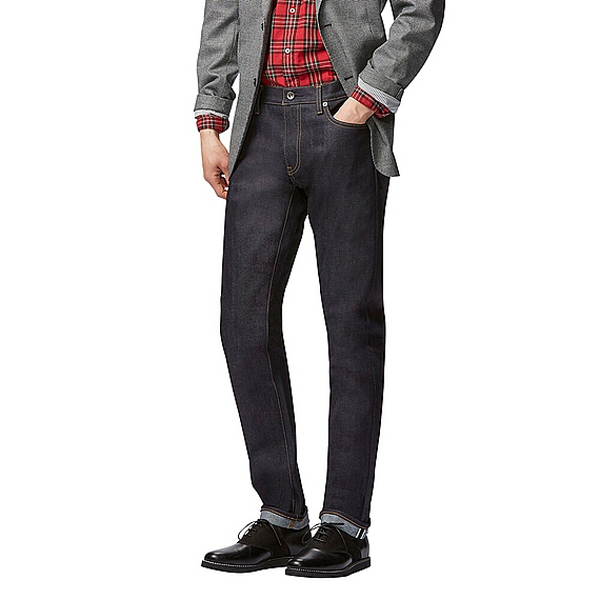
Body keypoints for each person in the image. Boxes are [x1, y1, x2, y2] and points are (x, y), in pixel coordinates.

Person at [194, 0, 444, 578]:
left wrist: (370, 96)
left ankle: (346, 524)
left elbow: (421, 10)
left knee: (351, 324)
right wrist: (210, 119)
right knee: (243, 323)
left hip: (344, 115)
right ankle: (281, 516)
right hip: (259, 124)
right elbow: (223, 12)